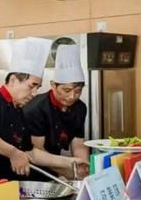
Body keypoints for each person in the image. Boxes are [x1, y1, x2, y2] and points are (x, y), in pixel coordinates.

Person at [0, 37, 88, 181]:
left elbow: (31, 153)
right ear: (13, 80)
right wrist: (13, 153)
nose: (34, 93)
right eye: (31, 86)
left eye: (37, 87)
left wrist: (69, 162)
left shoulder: (18, 112)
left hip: (0, 183)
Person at [23, 44, 90, 178]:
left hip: (58, 165)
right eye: (66, 90)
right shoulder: (36, 109)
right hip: (33, 170)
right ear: (53, 85)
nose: (72, 96)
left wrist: (83, 168)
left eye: (78, 91)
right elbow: (37, 150)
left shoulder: (79, 108)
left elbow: (78, 143)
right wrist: (65, 171)